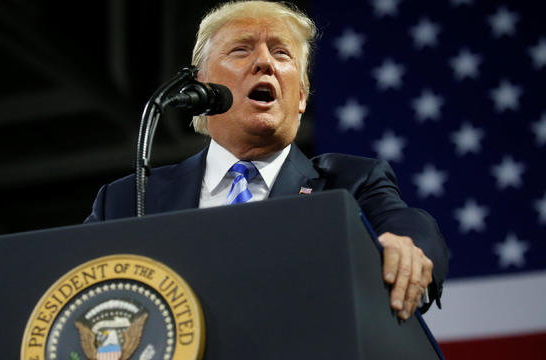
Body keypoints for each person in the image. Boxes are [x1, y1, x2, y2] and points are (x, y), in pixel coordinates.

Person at [85, 0, 448, 321]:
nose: (264, 62)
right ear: (201, 87)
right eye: (241, 50)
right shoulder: (127, 201)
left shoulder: (351, 182)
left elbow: (408, 223)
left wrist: (406, 244)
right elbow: (62, 283)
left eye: (281, 53)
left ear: (301, 97)